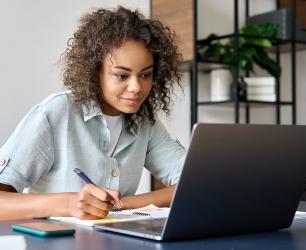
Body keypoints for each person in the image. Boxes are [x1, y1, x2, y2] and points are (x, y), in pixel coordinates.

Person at [0, 6, 185, 220]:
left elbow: (196, 181)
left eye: (145, 75)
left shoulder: (144, 122)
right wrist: (69, 203)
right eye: (122, 76)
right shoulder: (56, 113)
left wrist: (123, 204)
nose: (136, 87)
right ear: (95, 72)